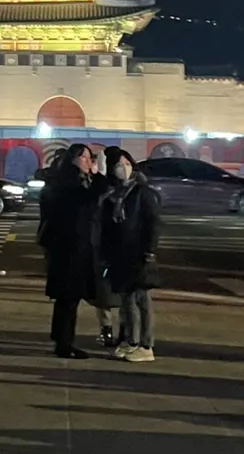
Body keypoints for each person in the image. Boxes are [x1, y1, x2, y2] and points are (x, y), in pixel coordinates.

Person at [38, 144, 108, 359]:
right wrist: (99, 175)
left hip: (69, 247)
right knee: (69, 298)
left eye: (90, 157)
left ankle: (61, 338)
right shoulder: (68, 185)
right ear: (73, 159)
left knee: (67, 298)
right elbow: (89, 200)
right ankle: (64, 343)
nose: (89, 161)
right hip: (69, 248)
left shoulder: (66, 181)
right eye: (84, 157)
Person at [100, 148, 160, 363]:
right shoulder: (115, 194)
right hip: (121, 254)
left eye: (127, 164)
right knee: (127, 301)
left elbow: (152, 223)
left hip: (138, 253)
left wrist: (149, 251)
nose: (123, 168)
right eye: (118, 165)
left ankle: (144, 344)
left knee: (140, 301)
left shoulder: (142, 192)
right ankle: (131, 340)